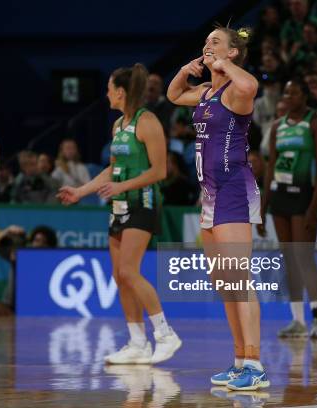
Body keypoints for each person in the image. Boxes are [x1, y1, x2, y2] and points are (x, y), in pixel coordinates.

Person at [58, 63, 182, 365]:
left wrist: (122, 185)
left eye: (109, 89)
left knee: (128, 271)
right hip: (119, 204)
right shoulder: (118, 126)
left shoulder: (148, 121)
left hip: (143, 202)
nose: (106, 94)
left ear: (121, 92)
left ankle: (166, 334)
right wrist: (80, 191)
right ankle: (137, 342)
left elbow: (160, 171)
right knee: (119, 276)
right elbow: (112, 168)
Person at [167, 25, 268, 391]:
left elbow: (251, 87)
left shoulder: (235, 92)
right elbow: (174, 95)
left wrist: (225, 64)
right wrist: (185, 70)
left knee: (239, 280)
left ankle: (255, 364)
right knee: (224, 283)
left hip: (233, 192)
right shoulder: (207, 92)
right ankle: (240, 358)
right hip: (209, 196)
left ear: (233, 52)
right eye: (206, 42)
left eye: (216, 42)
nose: (207, 46)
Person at [259, 78, 317, 339]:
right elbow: (270, 169)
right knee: (289, 260)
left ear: (305, 96)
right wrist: (262, 207)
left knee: (303, 256)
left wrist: (314, 206)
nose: (289, 97)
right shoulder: (277, 126)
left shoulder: (315, 123)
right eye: (287, 93)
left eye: (294, 93)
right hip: (279, 197)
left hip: (303, 196)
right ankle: (298, 321)